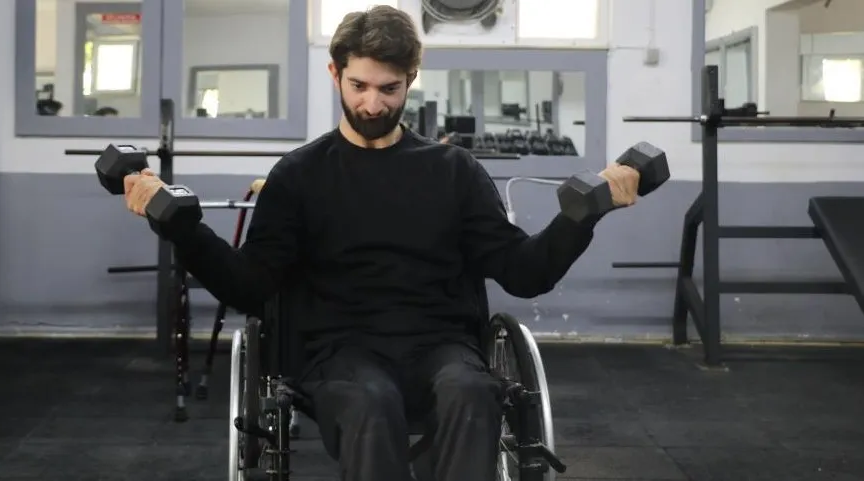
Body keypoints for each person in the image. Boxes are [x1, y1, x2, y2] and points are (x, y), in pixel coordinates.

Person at [122, 6, 641, 481]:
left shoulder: (453, 171)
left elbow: (524, 272)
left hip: (441, 346)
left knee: (473, 393)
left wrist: (582, 216)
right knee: (370, 403)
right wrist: (181, 228)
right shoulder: (299, 176)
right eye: (359, 86)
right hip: (338, 351)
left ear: (411, 78)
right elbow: (249, 285)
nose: (372, 104)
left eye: (389, 88)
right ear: (335, 74)